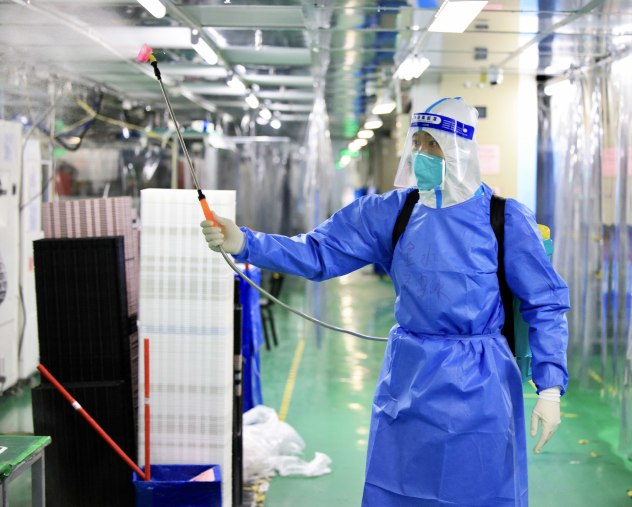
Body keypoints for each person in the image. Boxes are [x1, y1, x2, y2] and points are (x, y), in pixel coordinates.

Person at [201, 97, 570, 506]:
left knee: (478, 491)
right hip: (409, 379)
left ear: (460, 151)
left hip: (481, 386)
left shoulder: (504, 219)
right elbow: (319, 252)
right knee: (399, 489)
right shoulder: (392, 213)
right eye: (418, 142)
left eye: (434, 145)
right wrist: (246, 243)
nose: (422, 154)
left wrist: (549, 387)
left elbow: (546, 303)